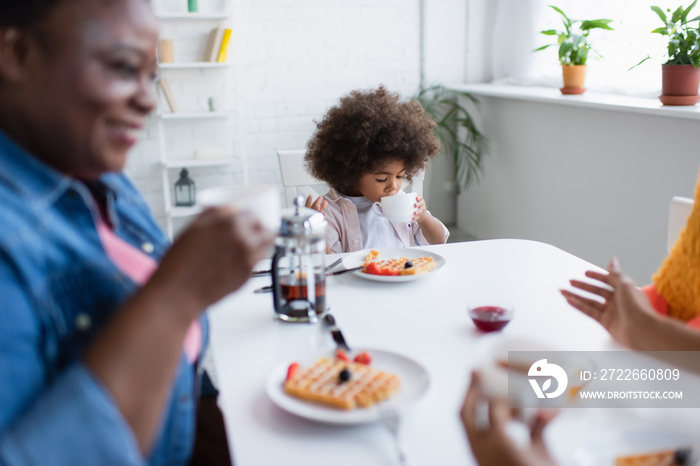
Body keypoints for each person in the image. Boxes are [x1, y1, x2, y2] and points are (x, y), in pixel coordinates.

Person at [0, 0, 275, 464]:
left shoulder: (106, 182)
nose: (148, 99)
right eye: (125, 67)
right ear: (17, 55)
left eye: (152, 76)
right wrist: (179, 292)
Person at [303, 85, 449, 253]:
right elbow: (330, 266)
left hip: (401, 274)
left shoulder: (402, 202)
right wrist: (317, 232)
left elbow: (439, 241)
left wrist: (423, 218)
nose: (394, 186)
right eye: (382, 179)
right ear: (352, 170)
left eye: (400, 176)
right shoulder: (330, 212)